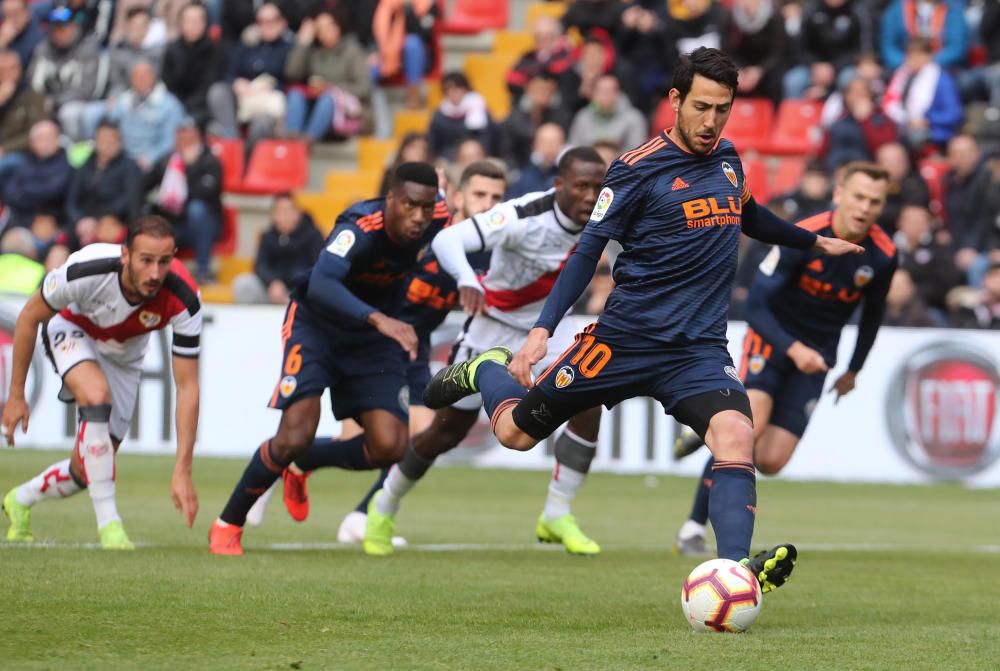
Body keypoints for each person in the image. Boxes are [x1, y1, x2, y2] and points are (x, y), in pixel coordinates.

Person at [422, 48, 865, 592]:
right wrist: (540, 331)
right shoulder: (634, 169)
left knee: (735, 435)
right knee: (514, 433)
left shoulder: (728, 159)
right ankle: (483, 368)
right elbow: (588, 252)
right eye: (702, 107)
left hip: (697, 350)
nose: (712, 122)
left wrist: (813, 239)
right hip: (622, 341)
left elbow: (750, 216)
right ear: (675, 100)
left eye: (723, 109)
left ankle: (733, 570)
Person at [360, 148, 609, 557]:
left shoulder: (605, 215)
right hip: (493, 332)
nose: (590, 196)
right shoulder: (521, 214)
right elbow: (446, 239)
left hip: (548, 333)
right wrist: (465, 279)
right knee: (446, 432)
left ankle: (557, 512)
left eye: (597, 187)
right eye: (581, 186)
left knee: (588, 397)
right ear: (559, 185)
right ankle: (383, 505)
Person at [250, 161, 508, 542]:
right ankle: (283, 462)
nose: (488, 205)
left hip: (411, 346)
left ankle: (360, 513)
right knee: (366, 441)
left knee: (418, 439)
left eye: (497, 198)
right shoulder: (424, 238)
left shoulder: (487, 252)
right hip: (369, 343)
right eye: (479, 195)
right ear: (454, 198)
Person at [208, 162, 447, 556]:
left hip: (371, 338)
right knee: (294, 434)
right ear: (390, 199)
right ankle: (228, 523)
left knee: (390, 445)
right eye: (409, 205)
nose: (418, 216)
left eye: (425, 207)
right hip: (316, 326)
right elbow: (321, 283)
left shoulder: (438, 216)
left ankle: (303, 464)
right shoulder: (359, 228)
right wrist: (379, 318)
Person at [673, 162, 898, 555]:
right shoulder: (805, 236)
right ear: (839, 194)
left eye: (875, 201)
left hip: (817, 359)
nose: (865, 207)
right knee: (746, 433)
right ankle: (692, 528)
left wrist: (854, 369)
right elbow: (755, 305)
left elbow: (873, 315)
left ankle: (707, 432)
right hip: (772, 342)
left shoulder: (882, 255)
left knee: (772, 460)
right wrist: (793, 348)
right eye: (859, 197)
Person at [1, 216, 201, 549]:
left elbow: (188, 386)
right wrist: (16, 394)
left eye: (164, 262)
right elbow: (29, 316)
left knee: (88, 468)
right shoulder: (87, 268)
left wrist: (183, 469)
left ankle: (19, 499)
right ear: (126, 256)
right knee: (96, 396)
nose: (155, 273)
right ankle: (110, 526)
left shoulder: (184, 298)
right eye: (146, 260)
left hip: (125, 358)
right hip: (71, 328)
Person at [146, 119, 223, 284]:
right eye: (180, 140)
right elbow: (144, 185)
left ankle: (203, 270)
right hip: (174, 225)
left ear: (198, 139)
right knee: (148, 214)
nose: (184, 145)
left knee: (197, 209)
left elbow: (204, 194)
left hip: (205, 227)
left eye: (189, 140)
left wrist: (189, 167)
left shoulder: (210, 161)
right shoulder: (167, 160)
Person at [284, 7, 370, 142]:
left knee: (328, 98)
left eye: (328, 26)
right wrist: (303, 44)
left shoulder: (352, 51)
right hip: (316, 108)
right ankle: (291, 139)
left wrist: (331, 88)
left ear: (338, 26)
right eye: (319, 28)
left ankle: (306, 142)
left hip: (346, 111)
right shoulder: (313, 51)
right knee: (295, 94)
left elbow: (364, 88)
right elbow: (292, 73)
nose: (324, 32)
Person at [232, 193, 324, 305]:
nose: (285, 216)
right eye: (280, 212)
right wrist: (273, 282)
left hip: (299, 290)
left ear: (297, 213)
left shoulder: (313, 235)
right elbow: (260, 265)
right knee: (243, 284)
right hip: (272, 290)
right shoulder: (268, 236)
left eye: (288, 211)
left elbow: (317, 267)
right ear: (273, 215)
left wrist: (289, 284)